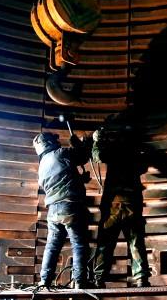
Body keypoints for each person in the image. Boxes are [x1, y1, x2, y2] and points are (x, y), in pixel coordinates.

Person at [90, 114, 152, 288]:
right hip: (132, 203)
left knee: (105, 243)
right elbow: (143, 167)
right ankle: (141, 278)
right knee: (136, 242)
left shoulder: (114, 148)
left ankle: (99, 279)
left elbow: (98, 156)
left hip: (113, 205)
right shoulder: (136, 150)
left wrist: (97, 141)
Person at [34, 131, 92, 289]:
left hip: (53, 210)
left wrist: (80, 179)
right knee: (79, 244)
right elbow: (83, 156)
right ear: (50, 142)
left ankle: (45, 281)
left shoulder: (42, 165)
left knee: (52, 246)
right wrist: (79, 143)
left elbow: (59, 180)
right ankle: (80, 281)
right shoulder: (60, 153)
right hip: (70, 206)